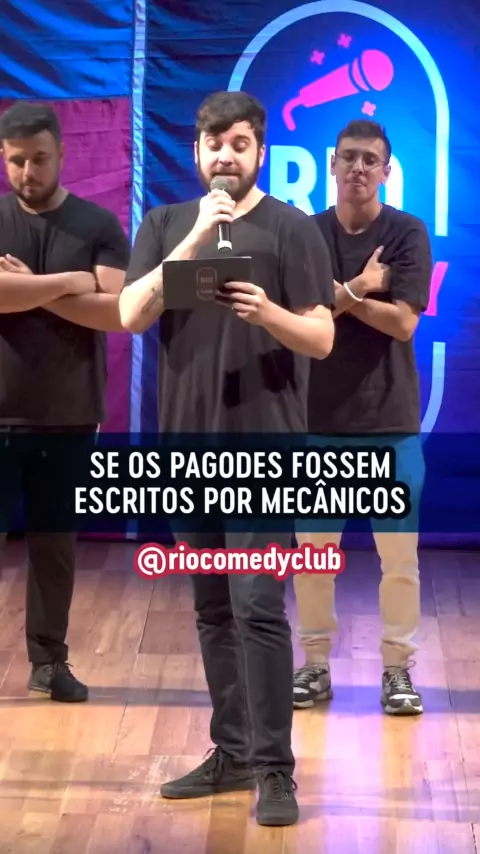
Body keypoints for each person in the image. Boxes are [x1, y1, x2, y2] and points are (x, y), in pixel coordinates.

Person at [119, 90, 335, 826]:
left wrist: (266, 311)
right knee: (212, 608)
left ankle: (276, 770)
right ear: (197, 151)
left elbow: (322, 337)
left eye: (239, 144)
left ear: (260, 151)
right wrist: (191, 242)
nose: (225, 156)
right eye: (214, 144)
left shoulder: (292, 228)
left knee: (257, 606)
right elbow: (129, 314)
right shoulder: (165, 224)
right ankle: (233, 751)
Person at [293, 119, 432, 716]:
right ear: (331, 164)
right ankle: (314, 665)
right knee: (313, 559)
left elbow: (402, 322)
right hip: (316, 420)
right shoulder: (305, 233)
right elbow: (301, 313)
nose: (358, 168)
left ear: (386, 170)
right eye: (348, 157)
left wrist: (336, 297)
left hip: (390, 422)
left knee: (399, 562)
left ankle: (398, 670)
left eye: (369, 160)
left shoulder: (406, 232)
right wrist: (362, 288)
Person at [0, 101, 130, 702]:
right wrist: (72, 283)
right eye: (17, 160)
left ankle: (49, 662)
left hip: (70, 415)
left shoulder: (96, 224)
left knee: (54, 548)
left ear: (62, 154)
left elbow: (116, 311)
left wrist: (27, 288)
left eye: (40, 159)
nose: (28, 172)